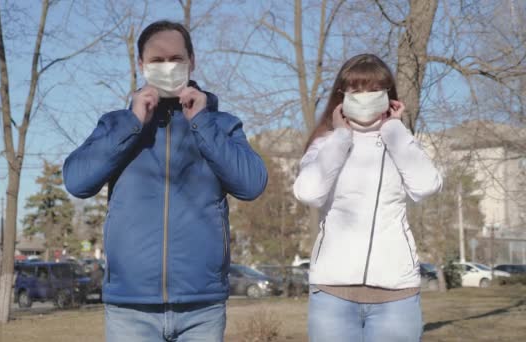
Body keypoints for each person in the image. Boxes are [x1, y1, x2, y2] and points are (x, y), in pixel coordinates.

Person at [63, 20, 268, 342]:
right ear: (141, 65)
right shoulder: (116, 123)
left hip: (202, 306)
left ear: (192, 62)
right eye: (157, 61)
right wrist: (133, 122)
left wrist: (201, 122)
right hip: (130, 306)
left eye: (175, 59)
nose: (167, 67)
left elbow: (252, 184)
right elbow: (77, 181)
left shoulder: (221, 125)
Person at [293, 54, 442, 342]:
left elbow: (426, 186)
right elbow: (308, 193)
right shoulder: (325, 144)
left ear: (388, 96)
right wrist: (340, 137)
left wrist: (395, 130)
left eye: (374, 90)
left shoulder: (402, 141)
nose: (365, 98)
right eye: (356, 90)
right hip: (333, 293)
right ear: (342, 96)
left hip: (396, 293)